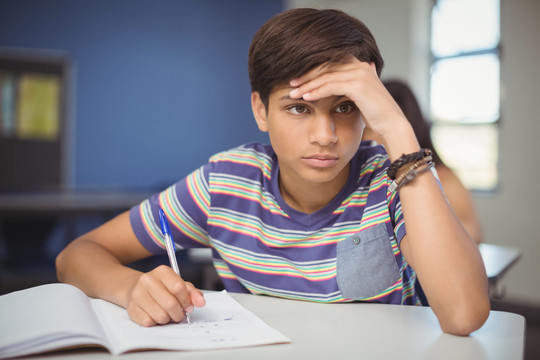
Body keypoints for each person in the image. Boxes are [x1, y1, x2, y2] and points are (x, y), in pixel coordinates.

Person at [56, 8, 489, 336]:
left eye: (346, 107)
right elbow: (76, 255)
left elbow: (465, 314)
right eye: (298, 108)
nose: (325, 135)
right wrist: (129, 288)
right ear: (261, 110)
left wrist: (396, 127)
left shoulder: (392, 183)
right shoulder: (226, 182)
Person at [362, 80, 483, 244]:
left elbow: (473, 234)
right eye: (369, 129)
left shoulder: (443, 178)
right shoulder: (365, 181)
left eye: (384, 130)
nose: (374, 140)